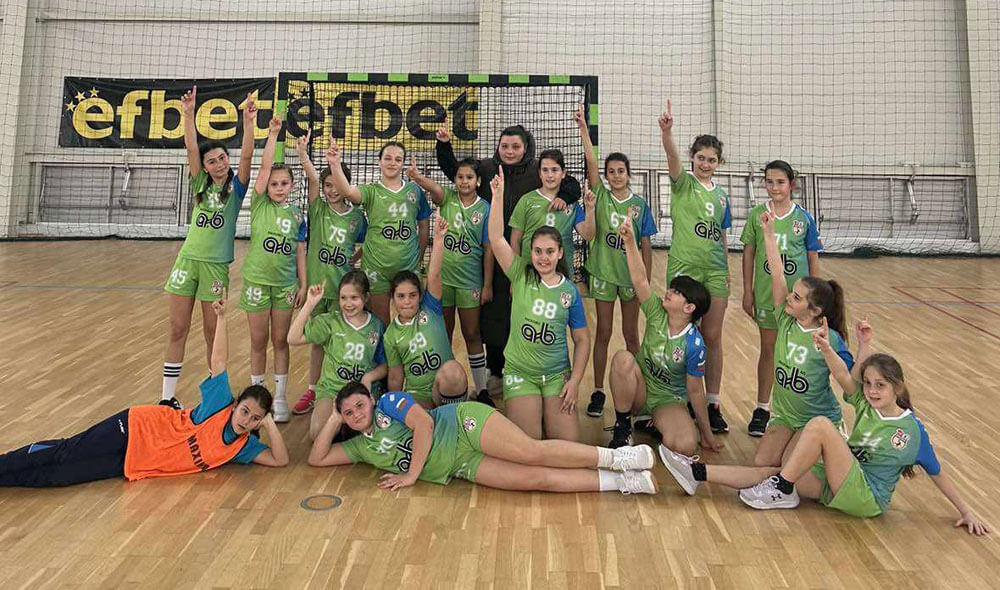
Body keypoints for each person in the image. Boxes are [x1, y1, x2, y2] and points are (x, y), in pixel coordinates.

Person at [660, 329, 990, 535]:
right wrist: (839, 348)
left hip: (867, 496)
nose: (872, 391)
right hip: (843, 482)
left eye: (880, 386)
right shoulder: (867, 405)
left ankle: (782, 488)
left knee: (819, 425)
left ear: (898, 388)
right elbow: (845, 378)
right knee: (772, 471)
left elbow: (937, 472)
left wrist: (967, 511)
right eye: (869, 384)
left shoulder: (912, 432)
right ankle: (697, 473)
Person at [0, 298, 288, 487]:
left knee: (61, 476)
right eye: (245, 411)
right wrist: (222, 318)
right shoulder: (219, 404)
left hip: (135, 460)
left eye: (254, 419)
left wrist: (270, 424)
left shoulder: (242, 448)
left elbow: (280, 461)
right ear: (235, 405)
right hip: (135, 427)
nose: (246, 420)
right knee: (66, 452)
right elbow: (219, 361)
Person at [435, 120, 582, 394]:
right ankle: (495, 370)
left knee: (524, 312)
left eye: (515, 146)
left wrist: (564, 194)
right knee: (492, 313)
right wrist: (444, 145)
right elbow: (455, 170)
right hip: (491, 253)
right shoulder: (486, 168)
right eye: (505, 146)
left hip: (525, 257)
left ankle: (532, 369)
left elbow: (571, 183)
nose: (510, 151)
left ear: (525, 148)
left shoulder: (537, 170)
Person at [307, 383, 658, 495]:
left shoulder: (387, 402)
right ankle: (623, 482)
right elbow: (316, 459)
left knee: (530, 451)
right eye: (348, 413)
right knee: (536, 479)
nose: (356, 414)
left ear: (370, 400)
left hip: (462, 424)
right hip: (460, 464)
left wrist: (412, 475)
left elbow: (423, 425)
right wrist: (334, 417)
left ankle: (619, 458)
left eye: (359, 405)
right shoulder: (360, 446)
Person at [160, 86, 256, 409]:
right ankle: (166, 398)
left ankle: (215, 398)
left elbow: (247, 156)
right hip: (187, 262)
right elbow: (191, 147)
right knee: (177, 329)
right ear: (204, 166)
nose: (218, 164)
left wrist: (248, 122)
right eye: (211, 161)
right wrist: (188, 114)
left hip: (215, 267)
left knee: (213, 333)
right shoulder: (200, 184)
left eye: (222, 158)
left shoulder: (237, 188)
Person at [488, 169, 590, 441]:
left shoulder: (569, 291)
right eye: (537, 251)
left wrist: (575, 382)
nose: (543, 258)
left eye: (549, 252)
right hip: (521, 374)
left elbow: (582, 340)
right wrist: (497, 196)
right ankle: (536, 412)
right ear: (530, 252)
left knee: (566, 445)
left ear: (560, 253)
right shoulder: (520, 274)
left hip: (556, 377)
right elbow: (497, 238)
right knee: (530, 444)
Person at [607, 215, 722, 455]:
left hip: (668, 399)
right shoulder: (656, 312)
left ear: (689, 308)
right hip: (640, 389)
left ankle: (656, 422)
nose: (669, 291)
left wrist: (707, 433)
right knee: (622, 359)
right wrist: (630, 242)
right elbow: (640, 279)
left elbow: (695, 391)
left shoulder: (695, 344)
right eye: (672, 288)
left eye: (677, 292)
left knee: (686, 445)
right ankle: (623, 425)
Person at [572, 104, 657, 418]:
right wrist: (584, 129)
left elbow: (646, 245)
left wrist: (645, 280)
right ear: (606, 176)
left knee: (632, 334)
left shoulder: (639, 205)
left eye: (621, 171)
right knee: (604, 333)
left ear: (628, 174)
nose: (616, 175)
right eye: (611, 172)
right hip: (604, 275)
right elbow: (591, 161)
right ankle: (598, 391)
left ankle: (640, 393)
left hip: (631, 279)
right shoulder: (602, 197)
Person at [752, 210, 852, 467]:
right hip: (786, 417)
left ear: (815, 311)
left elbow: (851, 380)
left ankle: (836, 439)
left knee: (790, 467)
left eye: (796, 297)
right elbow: (777, 273)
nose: (788, 297)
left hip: (816, 418)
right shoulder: (785, 321)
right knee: (762, 462)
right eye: (792, 293)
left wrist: (862, 346)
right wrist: (768, 235)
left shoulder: (828, 339)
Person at [659, 100, 731, 433]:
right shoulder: (683, 183)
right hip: (685, 269)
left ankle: (712, 402)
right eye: (700, 157)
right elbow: (672, 158)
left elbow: (723, 235)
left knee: (712, 336)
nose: (705, 163)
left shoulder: (722, 196)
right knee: (681, 335)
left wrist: (726, 269)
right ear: (692, 157)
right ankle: (678, 398)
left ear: (719, 163)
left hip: (715, 271)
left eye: (711, 160)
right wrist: (667, 133)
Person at [740, 160, 822, 436]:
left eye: (780, 182)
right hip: (767, 295)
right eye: (769, 181)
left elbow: (812, 257)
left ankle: (796, 409)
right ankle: (762, 408)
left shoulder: (804, 219)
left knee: (798, 353)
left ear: (791, 185)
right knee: (769, 349)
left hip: (799, 301)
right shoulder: (757, 215)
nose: (774, 187)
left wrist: (816, 296)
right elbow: (749, 253)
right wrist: (748, 290)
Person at [405, 157, 493, 404]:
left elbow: (488, 249)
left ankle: (482, 389)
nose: (464, 181)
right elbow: (434, 188)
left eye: (469, 177)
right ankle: (443, 387)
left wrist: (487, 284)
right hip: (442, 281)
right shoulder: (447, 198)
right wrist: (417, 177)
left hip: (470, 282)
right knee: (443, 334)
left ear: (478, 181)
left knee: (472, 333)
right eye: (460, 177)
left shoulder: (485, 208)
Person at [238, 113, 307, 422]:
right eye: (274, 183)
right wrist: (273, 135)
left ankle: (279, 398)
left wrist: (303, 282)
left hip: (284, 285)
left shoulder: (297, 215)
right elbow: (264, 167)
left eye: (284, 184)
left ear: (291, 186)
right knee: (258, 341)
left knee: (280, 341)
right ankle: (257, 396)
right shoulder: (260, 205)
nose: (278, 187)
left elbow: (300, 250)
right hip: (256, 281)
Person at [291, 135, 367, 415]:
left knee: (341, 341)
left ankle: (342, 389)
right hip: (316, 290)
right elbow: (312, 179)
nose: (332, 190)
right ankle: (313, 389)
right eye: (327, 186)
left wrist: (354, 259)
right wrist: (303, 155)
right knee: (317, 341)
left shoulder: (357, 217)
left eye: (337, 185)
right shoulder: (318, 209)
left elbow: (369, 241)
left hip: (341, 292)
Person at [325, 141, 432, 325]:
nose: (392, 163)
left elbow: (423, 224)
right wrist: (335, 164)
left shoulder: (414, 191)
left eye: (398, 159)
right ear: (380, 162)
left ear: (403, 163)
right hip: (376, 267)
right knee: (381, 322)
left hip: (408, 264)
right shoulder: (371, 191)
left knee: (412, 319)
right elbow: (348, 192)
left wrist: (420, 256)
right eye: (388, 158)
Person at [288, 272, 387, 440]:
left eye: (354, 298)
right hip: (332, 389)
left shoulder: (376, 326)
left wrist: (369, 378)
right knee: (317, 434)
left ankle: (347, 427)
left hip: (362, 391)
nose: (348, 304)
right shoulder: (331, 322)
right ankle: (342, 425)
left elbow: (385, 365)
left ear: (366, 297)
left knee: (374, 433)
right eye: (343, 298)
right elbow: (293, 338)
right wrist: (310, 304)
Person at [384, 217, 471, 409]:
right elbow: (396, 377)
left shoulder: (430, 308)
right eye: (401, 296)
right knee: (416, 416)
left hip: (445, 388)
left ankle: (452, 413)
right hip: (419, 394)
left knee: (453, 371)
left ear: (420, 296)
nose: (407, 301)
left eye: (412, 295)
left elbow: (434, 274)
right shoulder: (391, 335)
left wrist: (439, 240)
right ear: (393, 298)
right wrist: (392, 406)